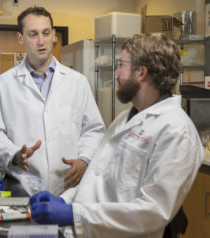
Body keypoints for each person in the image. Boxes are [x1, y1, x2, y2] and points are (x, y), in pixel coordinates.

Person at [30, 33, 205, 238]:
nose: (116, 72)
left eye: (121, 65)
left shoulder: (176, 130)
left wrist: (72, 214)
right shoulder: (124, 118)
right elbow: (96, 177)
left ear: (141, 72)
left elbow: (153, 213)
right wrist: (64, 200)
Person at [0, 6, 105, 196]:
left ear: (54, 35)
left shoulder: (77, 82)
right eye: (33, 34)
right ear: (20, 38)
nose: (41, 41)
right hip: (24, 187)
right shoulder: (3, 85)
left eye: (46, 33)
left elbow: (93, 129)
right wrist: (14, 154)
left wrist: (85, 159)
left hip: (69, 187)